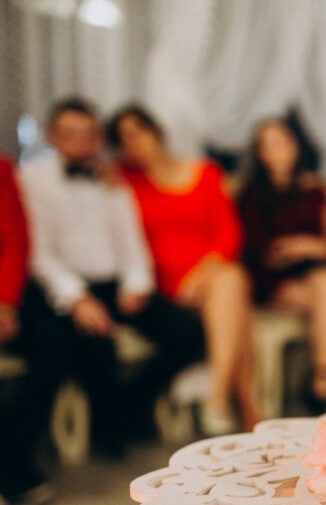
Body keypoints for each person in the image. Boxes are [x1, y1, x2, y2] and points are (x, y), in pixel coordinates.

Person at [19, 97, 204, 458]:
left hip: (116, 284)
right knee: (95, 343)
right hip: (66, 286)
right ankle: (110, 427)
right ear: (53, 136)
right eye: (70, 134)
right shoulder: (32, 180)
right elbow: (40, 254)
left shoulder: (112, 179)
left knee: (188, 332)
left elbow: (130, 239)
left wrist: (136, 284)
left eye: (88, 134)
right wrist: (76, 298)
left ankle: (129, 405)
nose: (80, 143)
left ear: (97, 137)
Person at [107, 104, 259, 434]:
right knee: (236, 291)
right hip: (164, 283)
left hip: (208, 275)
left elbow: (228, 232)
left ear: (154, 131)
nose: (134, 144)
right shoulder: (123, 181)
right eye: (124, 140)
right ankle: (245, 406)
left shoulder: (205, 172)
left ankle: (218, 398)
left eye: (137, 133)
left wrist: (206, 270)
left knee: (231, 284)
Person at [236, 119, 326, 407]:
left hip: (312, 275)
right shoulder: (250, 195)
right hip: (271, 280)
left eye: (282, 141)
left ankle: (321, 378)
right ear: (261, 154)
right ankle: (321, 385)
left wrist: (304, 247)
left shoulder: (314, 191)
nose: (278, 150)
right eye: (269, 144)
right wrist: (303, 246)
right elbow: (265, 252)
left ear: (295, 147)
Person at [0, 153, 54, 505]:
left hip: (11, 290)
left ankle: (14, 457)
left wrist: (5, 299)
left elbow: (16, 235)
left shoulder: (2, 168)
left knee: (56, 345)